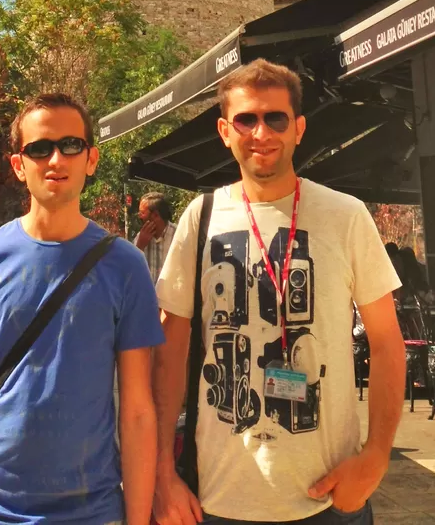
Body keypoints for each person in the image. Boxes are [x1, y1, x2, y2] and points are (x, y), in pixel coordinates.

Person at [153, 59, 405, 525]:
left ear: (299, 128)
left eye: (275, 118)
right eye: (246, 119)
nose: (261, 132)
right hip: (217, 497)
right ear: (225, 131)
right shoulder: (199, 217)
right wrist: (162, 473)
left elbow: (388, 341)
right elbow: (171, 348)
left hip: (328, 498)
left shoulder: (345, 216)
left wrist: (376, 455)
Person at [0, 92, 164, 525]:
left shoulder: (125, 266)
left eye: (70, 145)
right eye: (39, 148)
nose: (56, 159)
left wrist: (137, 518)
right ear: (19, 165)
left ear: (91, 159)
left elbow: (137, 409)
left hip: (92, 511)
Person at [135, 193, 176, 283]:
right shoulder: (140, 237)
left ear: (156, 215)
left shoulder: (177, 236)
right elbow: (129, 269)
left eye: (142, 212)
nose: (139, 216)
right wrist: (140, 246)